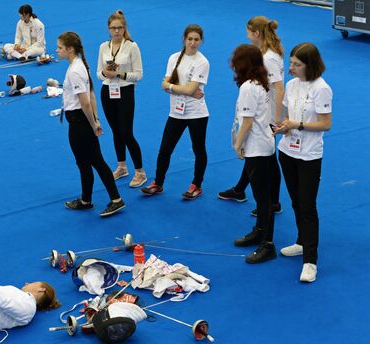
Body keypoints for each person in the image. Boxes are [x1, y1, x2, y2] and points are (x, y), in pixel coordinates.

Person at [274, 43, 332, 282]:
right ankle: (301, 241)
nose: (291, 68)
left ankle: (310, 260)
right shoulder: (291, 85)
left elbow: (325, 124)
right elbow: (288, 115)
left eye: (297, 64)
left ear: (310, 65)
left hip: (309, 155)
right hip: (287, 151)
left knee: (308, 206)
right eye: (291, 63)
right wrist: (285, 127)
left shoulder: (322, 89)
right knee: (296, 201)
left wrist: (298, 125)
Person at [219, 16, 284, 217]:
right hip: (264, 111)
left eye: (248, 32)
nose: (247, 36)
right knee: (260, 155)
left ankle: (272, 202)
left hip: (267, 115)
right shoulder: (264, 53)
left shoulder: (269, 58)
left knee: (267, 159)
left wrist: (276, 119)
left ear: (256, 34)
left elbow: (279, 88)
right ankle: (242, 189)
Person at [57, 31, 126, 217]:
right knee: (85, 162)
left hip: (79, 123)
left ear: (70, 49)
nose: (57, 51)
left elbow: (86, 101)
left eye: (60, 48)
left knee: (95, 161)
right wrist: (95, 119)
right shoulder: (79, 66)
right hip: (82, 121)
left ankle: (116, 200)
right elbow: (92, 94)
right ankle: (86, 200)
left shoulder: (74, 71)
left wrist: (93, 122)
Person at [140, 25, 209, 200]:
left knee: (198, 149)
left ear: (201, 41)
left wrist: (174, 87)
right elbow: (167, 86)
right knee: (165, 149)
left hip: (197, 114)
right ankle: (158, 183)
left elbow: (183, 87)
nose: (192, 43)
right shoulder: (173, 58)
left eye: (196, 39)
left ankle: (197, 185)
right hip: (176, 112)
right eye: (190, 39)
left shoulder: (202, 62)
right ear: (184, 39)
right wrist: (184, 89)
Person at [230, 44, 277, 264]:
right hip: (263, 145)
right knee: (262, 197)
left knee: (263, 198)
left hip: (257, 147)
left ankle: (267, 243)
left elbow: (247, 122)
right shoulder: (260, 83)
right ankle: (259, 231)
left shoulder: (248, 87)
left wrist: (238, 145)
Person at [97, 10, 146, 188]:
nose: (116, 31)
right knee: (116, 132)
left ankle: (140, 171)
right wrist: (105, 73)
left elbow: (139, 75)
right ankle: (122, 167)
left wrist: (120, 73)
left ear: (124, 28)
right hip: (107, 92)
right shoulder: (103, 46)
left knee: (127, 133)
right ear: (108, 29)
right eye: (113, 28)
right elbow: (98, 73)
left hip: (125, 92)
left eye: (119, 28)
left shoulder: (132, 46)